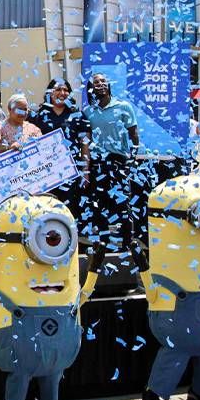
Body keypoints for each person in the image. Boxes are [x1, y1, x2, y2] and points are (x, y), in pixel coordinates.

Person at [83, 72, 141, 261]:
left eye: (103, 81)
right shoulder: (88, 112)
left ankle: (127, 244)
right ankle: (101, 245)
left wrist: (131, 158)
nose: (100, 84)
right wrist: (86, 168)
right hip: (98, 163)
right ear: (91, 88)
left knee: (122, 205)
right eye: (96, 82)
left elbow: (134, 135)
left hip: (118, 161)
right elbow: (86, 140)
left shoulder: (123, 106)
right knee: (98, 205)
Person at [30, 79, 89, 222]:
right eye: (58, 89)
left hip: (70, 172)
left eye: (65, 90)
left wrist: (85, 172)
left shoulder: (78, 115)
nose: (62, 93)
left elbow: (85, 145)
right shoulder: (38, 115)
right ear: (50, 93)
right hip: (45, 173)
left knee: (69, 210)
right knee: (46, 210)